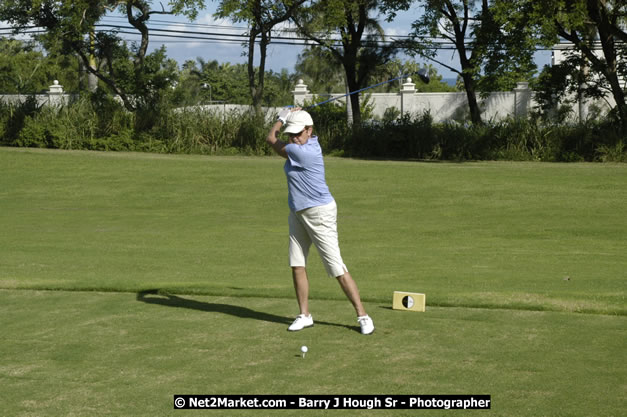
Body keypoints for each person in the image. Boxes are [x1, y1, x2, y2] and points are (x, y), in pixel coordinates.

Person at [265, 107, 375, 335]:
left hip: (319, 213)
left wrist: (281, 118)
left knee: (336, 267)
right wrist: (289, 118)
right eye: (291, 133)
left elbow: (270, 138)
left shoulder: (304, 152)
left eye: (297, 133)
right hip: (297, 212)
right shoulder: (301, 145)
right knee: (297, 263)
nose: (293, 138)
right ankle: (304, 315)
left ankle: (363, 316)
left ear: (309, 130)